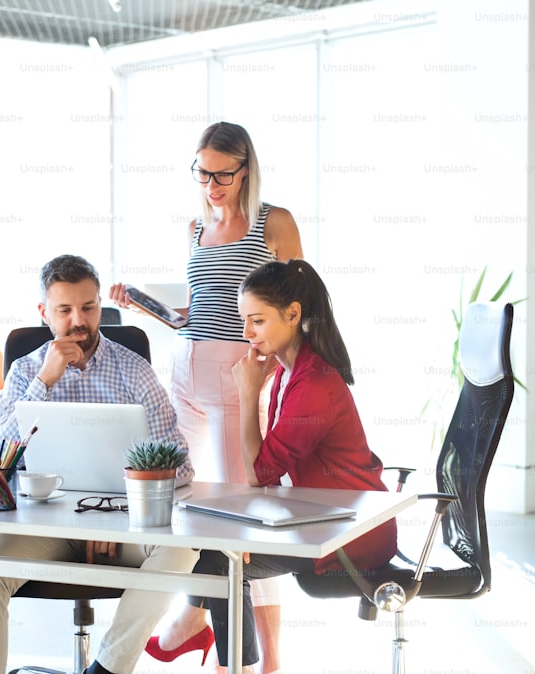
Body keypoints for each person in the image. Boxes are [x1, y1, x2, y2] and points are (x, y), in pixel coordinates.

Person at [111, 121, 302, 672]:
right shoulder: (195, 227)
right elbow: (198, 311)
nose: (212, 184)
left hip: (236, 374)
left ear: (246, 169)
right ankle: (206, 627)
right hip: (185, 370)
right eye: (202, 172)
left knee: (244, 519)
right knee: (187, 508)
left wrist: (271, 373)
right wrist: (148, 307)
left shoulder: (274, 223)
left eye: (223, 174)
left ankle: (268, 662)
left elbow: (298, 309)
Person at [151, 259, 398, 673]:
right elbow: (268, 470)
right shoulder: (292, 370)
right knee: (218, 542)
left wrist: (247, 393)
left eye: (257, 321)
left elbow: (258, 472)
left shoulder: (313, 382)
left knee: (219, 558)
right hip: (325, 516)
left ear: (294, 314)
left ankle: (230, 661)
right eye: (244, 320)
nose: (246, 333)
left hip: (351, 533)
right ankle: (217, 647)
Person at [0, 254, 198, 674]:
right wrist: (44, 383)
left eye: (88, 308)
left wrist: (116, 517)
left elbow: (178, 466)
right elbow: (2, 460)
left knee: (182, 552)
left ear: (100, 306)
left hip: (123, 528)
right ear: (44, 313)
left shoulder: (134, 370)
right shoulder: (25, 372)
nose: (79, 321)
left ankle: (106, 668)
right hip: (45, 526)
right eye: (64, 310)